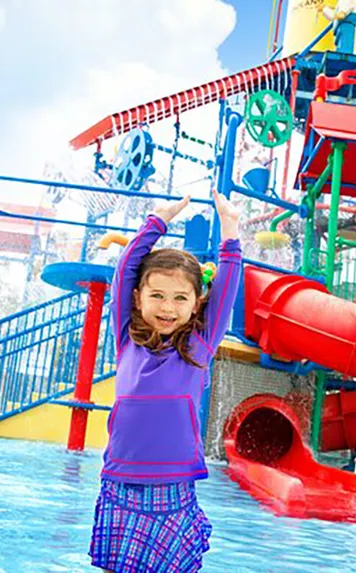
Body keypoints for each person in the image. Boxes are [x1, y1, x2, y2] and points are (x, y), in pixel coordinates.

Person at [90, 189, 242, 573]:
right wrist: (156, 222)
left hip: (173, 488)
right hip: (120, 483)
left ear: (196, 303)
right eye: (157, 295)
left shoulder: (199, 344)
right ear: (138, 298)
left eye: (179, 298)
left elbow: (226, 287)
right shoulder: (126, 337)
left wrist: (230, 229)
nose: (168, 307)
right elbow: (125, 270)